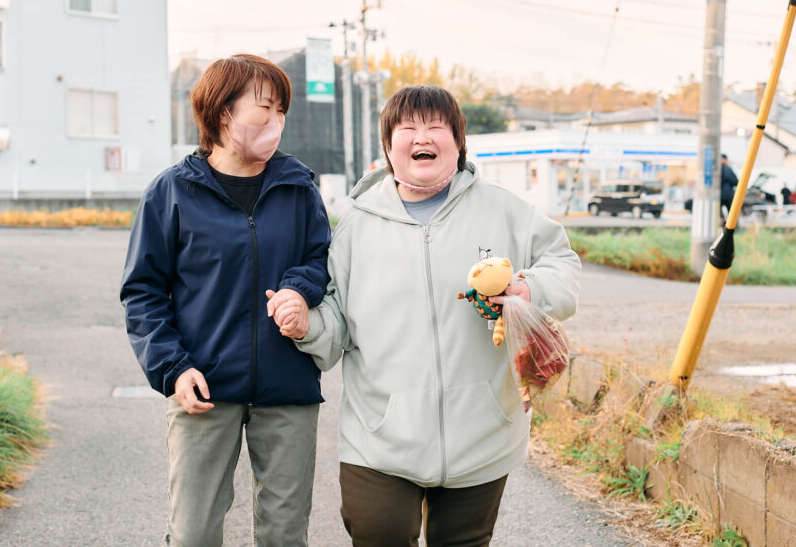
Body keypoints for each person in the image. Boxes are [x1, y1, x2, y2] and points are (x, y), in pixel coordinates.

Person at [292, 85, 582, 546]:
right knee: (378, 534)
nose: (421, 136)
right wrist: (306, 326)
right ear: (389, 146)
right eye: (407, 127)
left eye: (435, 126)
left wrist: (531, 288)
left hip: (482, 434)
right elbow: (336, 324)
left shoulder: (502, 208)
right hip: (380, 440)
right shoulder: (355, 227)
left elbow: (563, 265)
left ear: (458, 142)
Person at [120, 54, 330, 547]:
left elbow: (321, 257)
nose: (275, 122)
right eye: (264, 109)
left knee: (285, 534)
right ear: (222, 114)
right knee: (193, 533)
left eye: (281, 111)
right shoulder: (172, 192)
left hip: (288, 387)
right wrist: (171, 367)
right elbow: (143, 291)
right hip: (202, 387)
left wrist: (300, 287)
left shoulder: (298, 187)